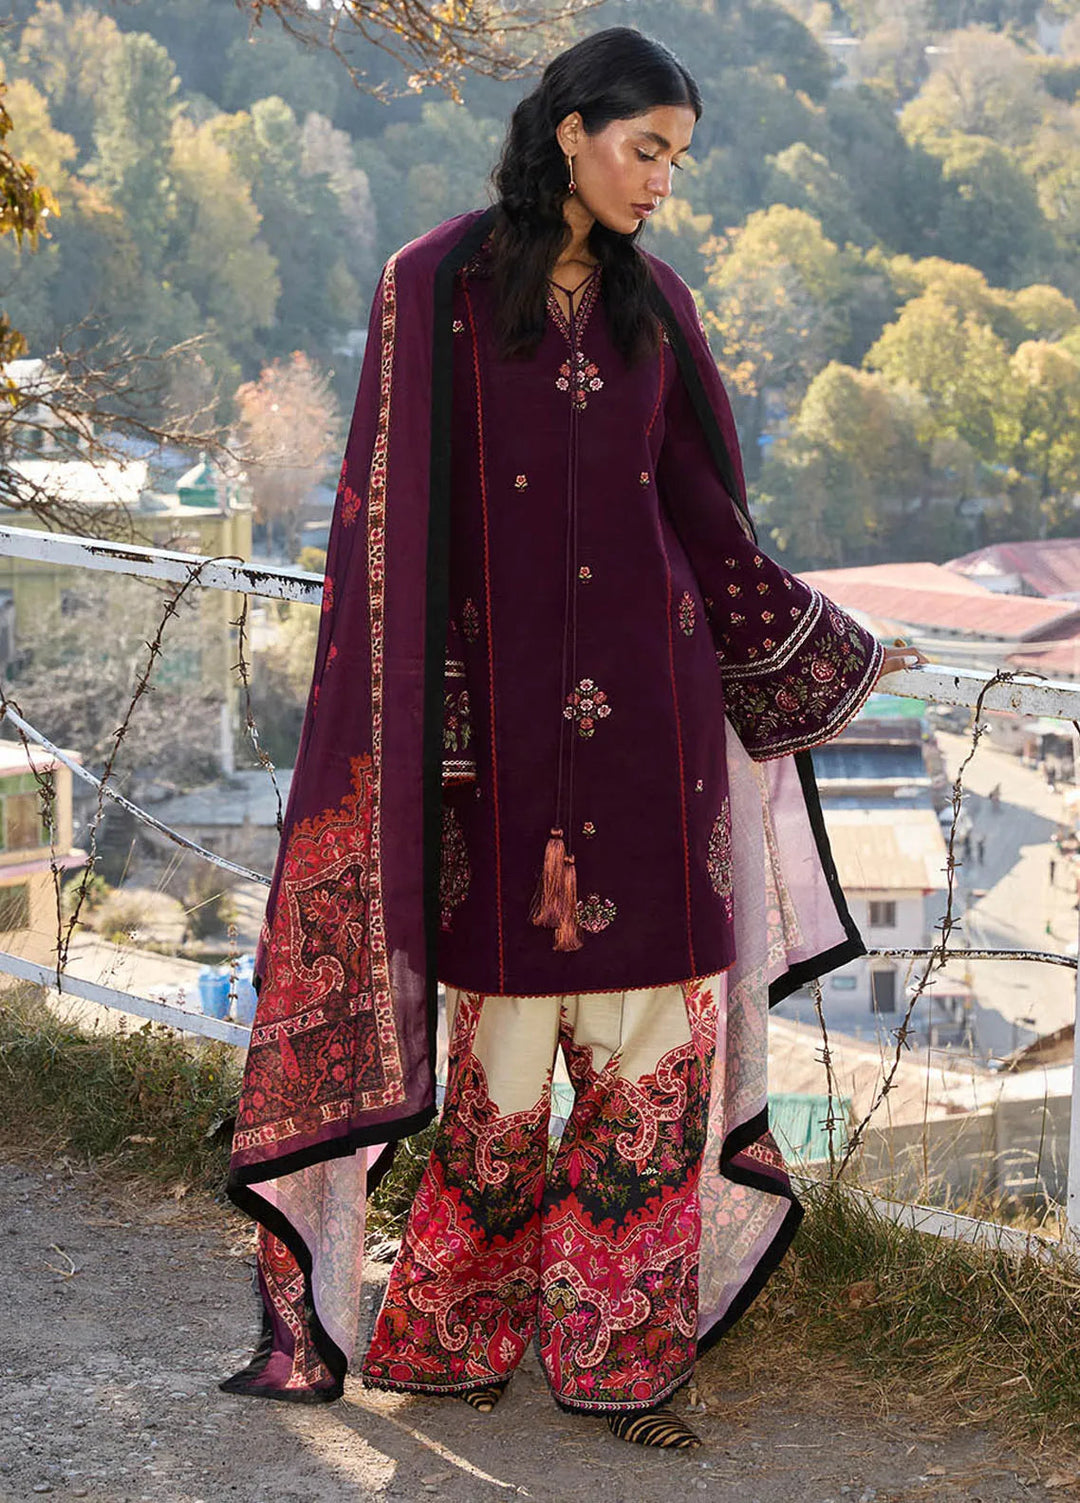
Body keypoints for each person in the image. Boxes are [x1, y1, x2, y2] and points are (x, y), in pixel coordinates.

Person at [219, 29, 923, 1451]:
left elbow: (705, 517)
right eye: (644, 149)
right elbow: (386, 530)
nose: (662, 181)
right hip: (497, 747)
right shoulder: (437, 289)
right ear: (569, 133)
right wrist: (417, 736)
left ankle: (622, 1359)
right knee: (500, 1056)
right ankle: (452, 1336)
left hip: (657, 734)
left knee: (652, 1057)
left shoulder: (657, 306)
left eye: (677, 159)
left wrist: (828, 641)